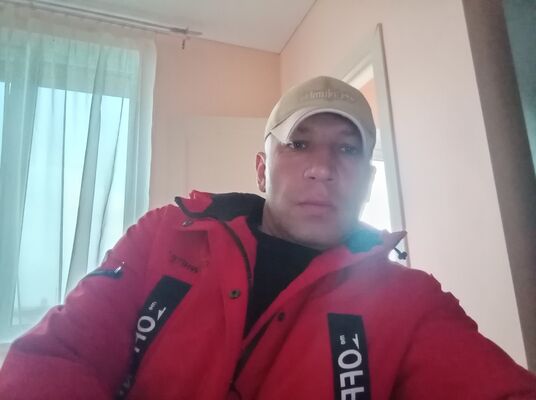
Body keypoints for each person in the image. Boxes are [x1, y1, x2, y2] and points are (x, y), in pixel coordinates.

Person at [0, 76, 535, 400]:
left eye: (347, 149)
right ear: (262, 169)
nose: (322, 168)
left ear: (368, 182)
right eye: (299, 143)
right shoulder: (165, 234)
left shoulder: (410, 301)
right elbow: (58, 357)